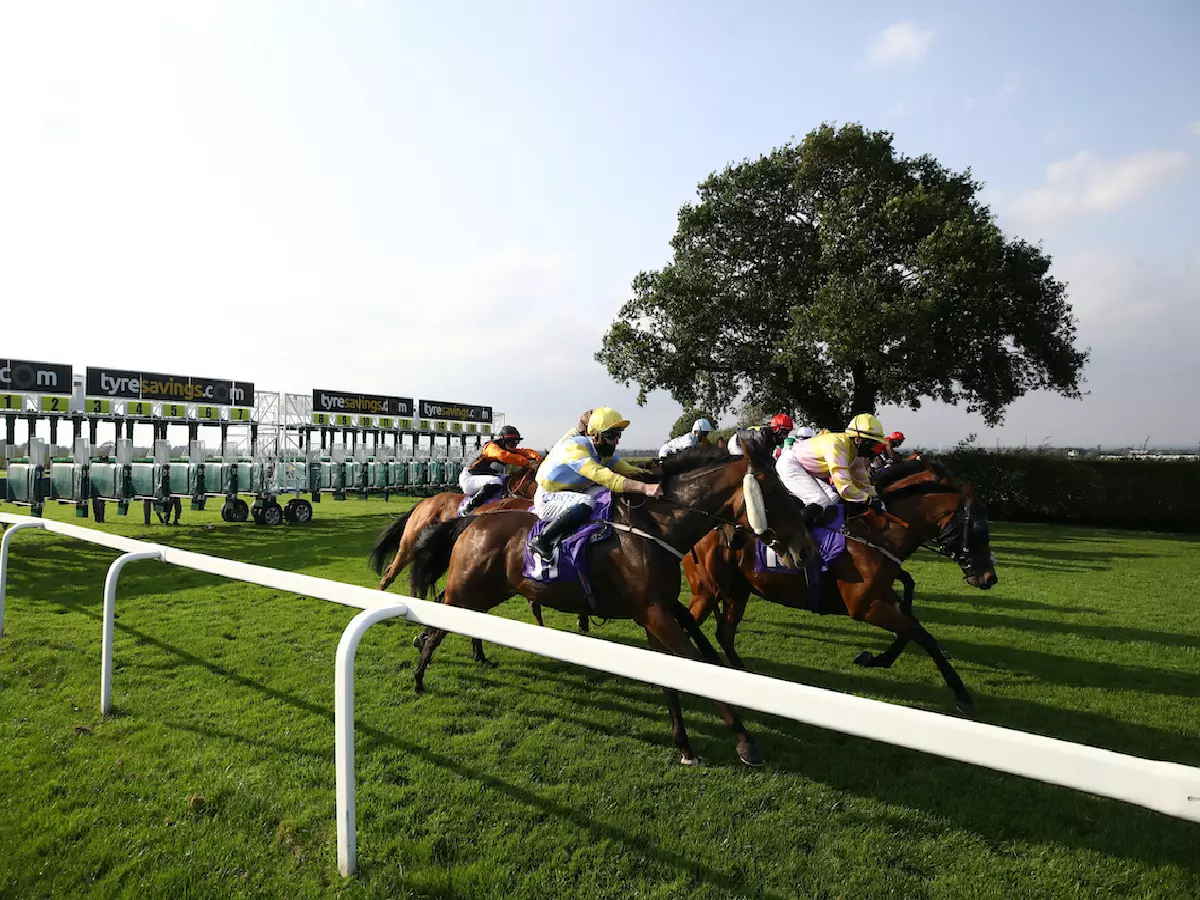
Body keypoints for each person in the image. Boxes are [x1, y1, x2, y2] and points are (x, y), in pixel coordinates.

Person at [530, 407, 660, 561]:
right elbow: (605, 477)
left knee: (608, 496)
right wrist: (645, 488)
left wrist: (653, 475)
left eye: (618, 434)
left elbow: (627, 469)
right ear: (595, 435)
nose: (616, 440)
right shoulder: (576, 447)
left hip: (573, 492)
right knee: (588, 502)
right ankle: (542, 539)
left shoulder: (602, 452)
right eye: (611, 435)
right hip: (548, 497)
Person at [776, 413, 886, 527]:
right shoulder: (838, 446)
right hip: (791, 465)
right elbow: (845, 489)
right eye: (872, 443)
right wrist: (868, 500)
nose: (874, 448)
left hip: (805, 468)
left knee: (833, 498)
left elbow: (863, 483)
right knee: (820, 500)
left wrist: (877, 497)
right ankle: (793, 536)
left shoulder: (856, 453)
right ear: (858, 440)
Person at [459, 425, 541, 514]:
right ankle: (469, 507)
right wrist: (527, 463)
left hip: (487, 477)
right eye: (511, 442)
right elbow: (502, 455)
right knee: (495, 481)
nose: (514, 445)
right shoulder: (490, 447)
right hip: (469, 478)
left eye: (516, 442)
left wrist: (537, 458)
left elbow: (526, 452)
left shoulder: (508, 449)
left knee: (510, 480)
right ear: (502, 441)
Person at [728, 413, 794, 456]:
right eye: (785, 433)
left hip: (747, 442)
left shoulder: (770, 436)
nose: (786, 436)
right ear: (777, 429)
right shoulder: (763, 437)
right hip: (736, 444)